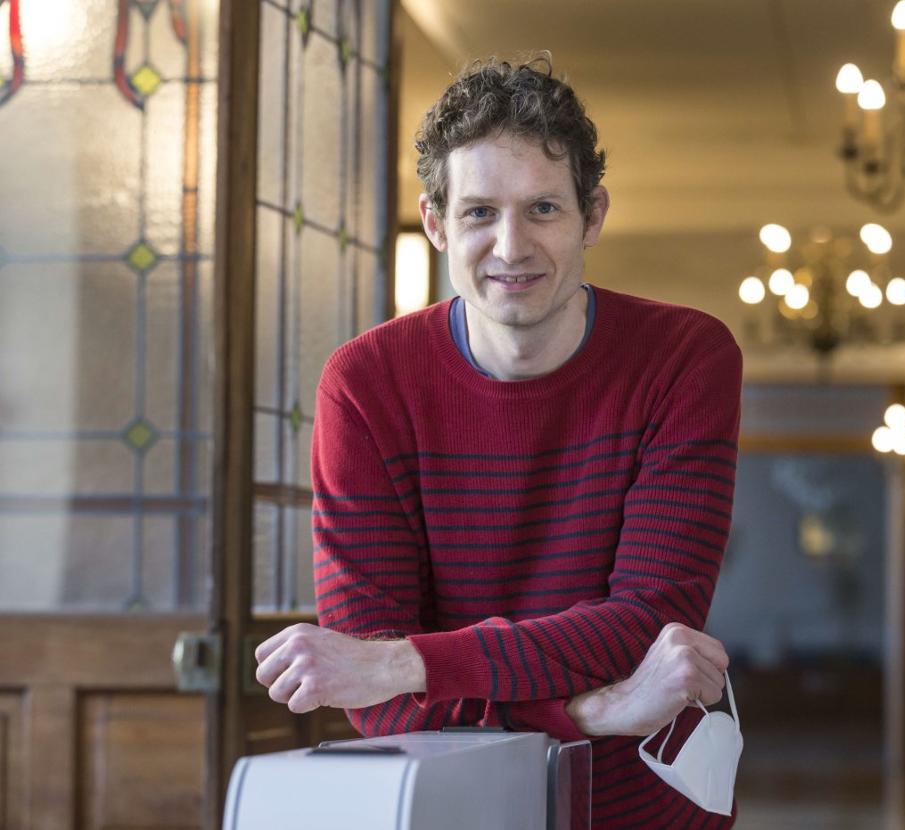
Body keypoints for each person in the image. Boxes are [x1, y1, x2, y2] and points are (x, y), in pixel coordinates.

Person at [254, 54, 742, 828]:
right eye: (480, 212)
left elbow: (648, 618)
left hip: (642, 807)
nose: (511, 248)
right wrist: (592, 710)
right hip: (447, 810)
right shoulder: (365, 384)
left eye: (543, 208)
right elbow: (375, 711)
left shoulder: (684, 358)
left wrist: (402, 662)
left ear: (594, 214)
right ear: (436, 221)